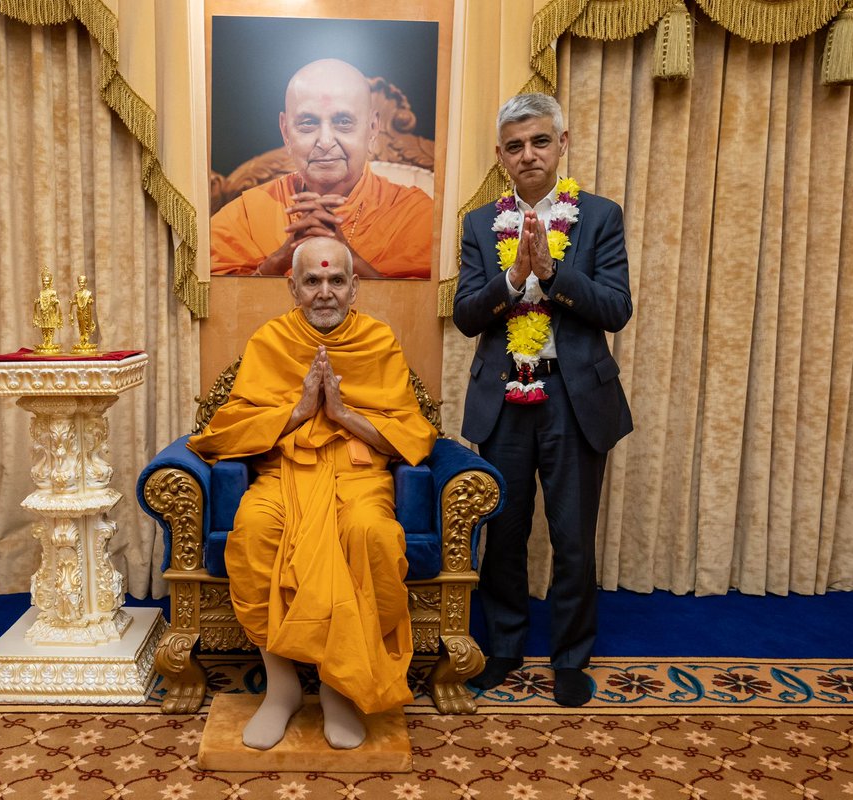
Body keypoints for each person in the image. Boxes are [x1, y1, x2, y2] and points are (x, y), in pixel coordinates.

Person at [188, 237, 436, 749]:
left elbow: (413, 433)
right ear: (292, 287)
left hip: (358, 474)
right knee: (256, 531)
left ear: (354, 286)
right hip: (284, 473)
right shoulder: (271, 341)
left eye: (336, 280)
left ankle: (337, 688)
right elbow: (226, 428)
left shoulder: (378, 340)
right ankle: (279, 690)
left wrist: (343, 415)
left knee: (369, 534)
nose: (325, 292)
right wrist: (299, 410)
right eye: (313, 280)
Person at [453, 93, 633, 707]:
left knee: (573, 536)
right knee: (502, 532)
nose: (527, 154)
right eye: (513, 145)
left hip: (575, 397)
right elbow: (466, 316)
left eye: (539, 141)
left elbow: (616, 309)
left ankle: (571, 658)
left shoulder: (600, 217)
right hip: (504, 398)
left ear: (563, 144)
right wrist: (510, 279)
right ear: (500, 157)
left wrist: (554, 274)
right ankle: (503, 648)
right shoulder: (479, 225)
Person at [209, 58, 433, 279]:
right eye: (308, 122)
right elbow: (220, 303)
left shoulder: (414, 214)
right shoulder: (249, 214)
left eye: (343, 121)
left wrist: (348, 259)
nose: (325, 141)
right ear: (286, 132)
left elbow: (417, 309)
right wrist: (278, 261)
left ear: (372, 127)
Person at [32, 266, 63, 354]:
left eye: (47, 281)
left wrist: (55, 302)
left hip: (50, 312)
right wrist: (37, 301)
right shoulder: (41, 292)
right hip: (43, 313)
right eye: (44, 281)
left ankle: (50, 342)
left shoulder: (53, 292)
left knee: (50, 327)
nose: (45, 283)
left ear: (50, 282)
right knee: (44, 328)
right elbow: (41, 300)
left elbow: (54, 301)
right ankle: (45, 342)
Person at [69, 275, 97, 354]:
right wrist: (72, 303)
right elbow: (75, 301)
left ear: (86, 283)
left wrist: (90, 301)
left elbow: (91, 300)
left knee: (86, 325)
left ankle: (86, 340)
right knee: (81, 326)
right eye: (80, 283)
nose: (81, 284)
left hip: (86, 312)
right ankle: (82, 340)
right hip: (79, 312)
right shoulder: (77, 293)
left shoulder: (88, 293)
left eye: (83, 283)